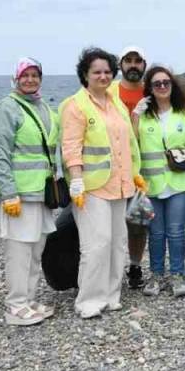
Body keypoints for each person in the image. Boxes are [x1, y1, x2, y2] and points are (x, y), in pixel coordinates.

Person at [60, 47, 145, 319]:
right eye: (96, 71)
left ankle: (111, 295)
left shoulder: (116, 102)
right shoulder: (76, 105)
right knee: (96, 244)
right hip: (91, 186)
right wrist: (76, 179)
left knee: (118, 242)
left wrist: (135, 172)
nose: (103, 76)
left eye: (107, 71)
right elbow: (71, 145)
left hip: (120, 185)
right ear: (85, 74)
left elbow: (128, 140)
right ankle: (89, 300)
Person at [0, 57, 58, 327]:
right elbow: (0, 153)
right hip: (19, 194)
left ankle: (29, 299)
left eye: (35, 75)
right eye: (25, 75)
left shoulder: (43, 108)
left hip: (41, 193)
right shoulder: (6, 108)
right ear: (15, 78)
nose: (30, 79)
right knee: (19, 252)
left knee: (36, 250)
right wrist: (8, 193)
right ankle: (15, 305)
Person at [132, 66, 185, 298]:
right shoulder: (143, 115)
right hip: (150, 183)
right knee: (155, 232)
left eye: (166, 83)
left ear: (172, 85)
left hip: (180, 182)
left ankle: (177, 275)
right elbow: (131, 143)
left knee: (175, 231)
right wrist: (134, 116)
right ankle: (155, 276)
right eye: (156, 84)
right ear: (150, 88)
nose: (162, 87)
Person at [112, 46, 150, 291]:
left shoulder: (154, 90)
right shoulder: (109, 91)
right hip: (113, 169)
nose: (133, 65)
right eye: (128, 60)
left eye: (138, 61)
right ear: (120, 64)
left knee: (138, 223)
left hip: (145, 169)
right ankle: (110, 270)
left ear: (144, 65)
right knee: (112, 225)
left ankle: (135, 266)